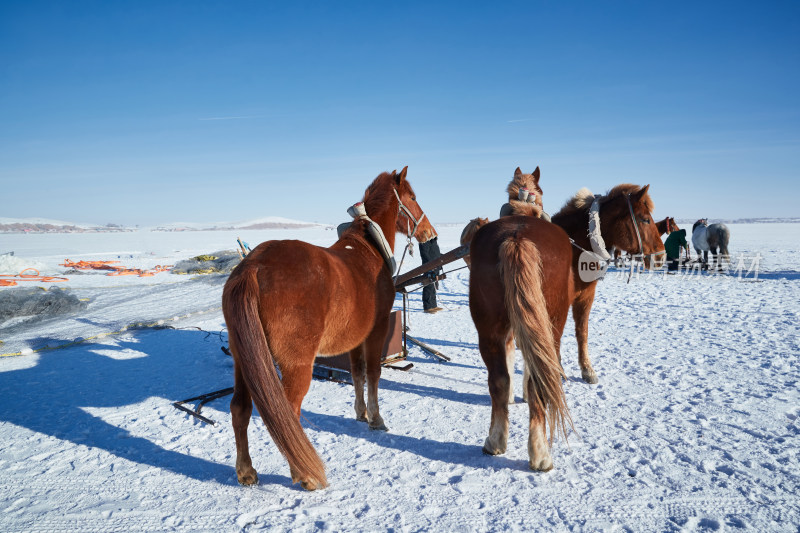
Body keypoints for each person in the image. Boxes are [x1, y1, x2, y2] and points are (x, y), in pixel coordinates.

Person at [419, 236, 443, 313]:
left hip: (436, 265)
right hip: (429, 267)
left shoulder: (434, 241)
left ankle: (433, 305)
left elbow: (436, 253)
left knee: (433, 286)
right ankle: (427, 307)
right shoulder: (424, 241)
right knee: (428, 286)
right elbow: (424, 254)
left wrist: (443, 257)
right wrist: (430, 266)